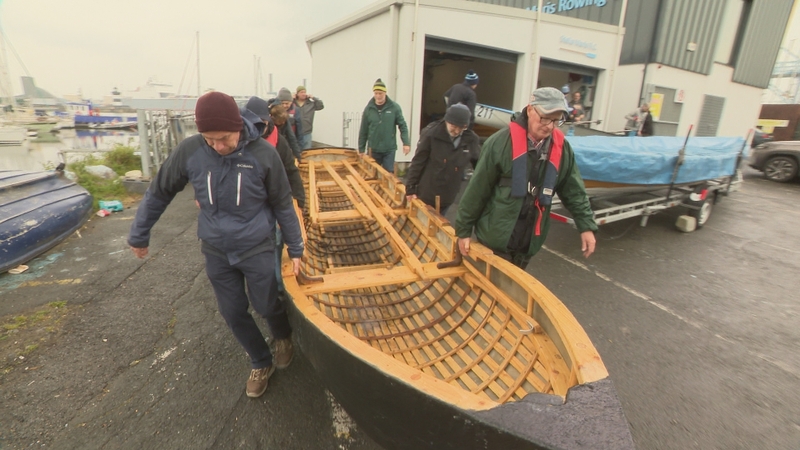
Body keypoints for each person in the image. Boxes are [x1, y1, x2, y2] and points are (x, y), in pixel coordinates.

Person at [128, 91, 304, 399]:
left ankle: (282, 335)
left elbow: (281, 202)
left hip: (257, 244)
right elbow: (159, 191)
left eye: (223, 138)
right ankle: (261, 361)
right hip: (216, 248)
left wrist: (296, 246)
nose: (218, 146)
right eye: (210, 140)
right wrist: (140, 234)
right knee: (233, 311)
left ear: (238, 126)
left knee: (265, 304)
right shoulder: (191, 151)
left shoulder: (263, 154)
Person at [454, 87, 598, 270]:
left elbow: (574, 191)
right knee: (492, 291)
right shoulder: (499, 143)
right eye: (545, 118)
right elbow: (477, 190)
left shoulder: (563, 150)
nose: (549, 125)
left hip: (528, 242)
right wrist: (464, 231)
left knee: (513, 291)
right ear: (530, 110)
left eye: (556, 120)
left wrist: (586, 226)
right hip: (495, 239)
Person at [404, 104, 480, 215]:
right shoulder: (431, 134)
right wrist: (410, 188)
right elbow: (418, 162)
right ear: (446, 121)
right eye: (453, 126)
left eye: (461, 127)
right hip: (427, 192)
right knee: (425, 224)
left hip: (449, 194)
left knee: (440, 221)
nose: (457, 131)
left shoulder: (471, 140)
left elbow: (480, 165)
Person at [358, 78, 410, 173]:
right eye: (376, 93)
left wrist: (406, 143)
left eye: (380, 93)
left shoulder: (394, 108)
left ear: (385, 93)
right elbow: (363, 130)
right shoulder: (369, 109)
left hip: (389, 149)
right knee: (372, 174)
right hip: (373, 149)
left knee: (388, 174)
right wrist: (361, 148)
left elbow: (403, 126)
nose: (378, 96)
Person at [293, 86, 324, 150]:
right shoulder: (293, 103)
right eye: (301, 92)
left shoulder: (311, 104)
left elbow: (321, 106)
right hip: (295, 132)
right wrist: (291, 98)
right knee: (295, 151)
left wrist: (313, 98)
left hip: (307, 132)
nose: (303, 94)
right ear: (297, 94)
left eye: (304, 92)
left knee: (307, 151)